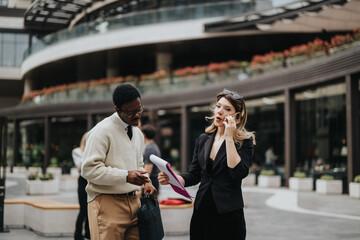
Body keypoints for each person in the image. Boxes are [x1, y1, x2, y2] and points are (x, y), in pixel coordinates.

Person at [158, 88, 255, 240]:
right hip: (202, 210)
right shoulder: (203, 139)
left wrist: (229, 138)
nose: (220, 111)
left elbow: (238, 173)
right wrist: (174, 178)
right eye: (218, 106)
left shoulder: (244, 142)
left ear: (237, 117)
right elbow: (194, 174)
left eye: (227, 109)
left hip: (228, 214)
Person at [81, 84, 157, 240]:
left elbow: (139, 164)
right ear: (117, 110)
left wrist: (147, 183)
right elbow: (89, 169)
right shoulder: (101, 131)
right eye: (131, 112)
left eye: (139, 109)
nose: (137, 115)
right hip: (106, 204)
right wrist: (126, 176)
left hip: (134, 203)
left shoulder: (137, 133)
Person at [72, 132, 90, 240]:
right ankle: (77, 235)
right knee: (83, 210)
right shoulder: (77, 151)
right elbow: (80, 167)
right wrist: (89, 152)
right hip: (83, 181)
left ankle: (88, 234)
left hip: (92, 181)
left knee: (91, 209)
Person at [142, 124, 161, 191]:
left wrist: (141, 188)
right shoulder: (154, 146)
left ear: (143, 135)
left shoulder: (150, 149)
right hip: (154, 181)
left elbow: (147, 172)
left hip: (150, 183)